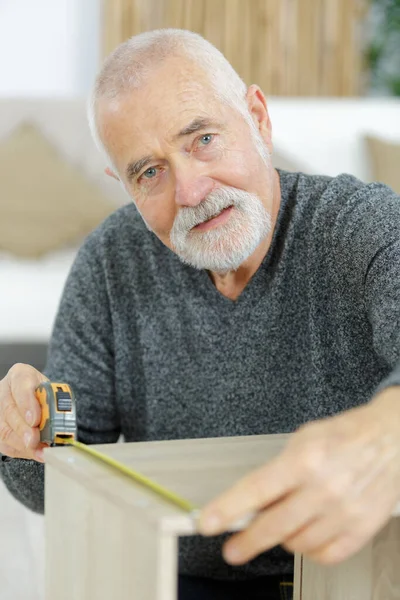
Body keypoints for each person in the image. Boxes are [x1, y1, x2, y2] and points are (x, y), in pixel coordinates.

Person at [1, 28, 400, 600]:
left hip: (360, 573)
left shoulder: (363, 226)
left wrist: (387, 432)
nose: (190, 190)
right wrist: (23, 436)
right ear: (126, 187)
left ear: (258, 118)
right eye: (150, 172)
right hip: (180, 577)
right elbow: (55, 483)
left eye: (204, 139)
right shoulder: (112, 261)